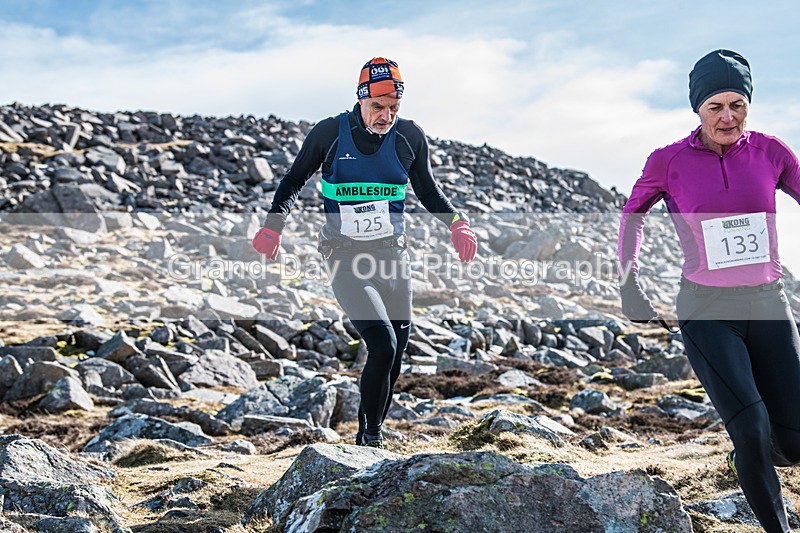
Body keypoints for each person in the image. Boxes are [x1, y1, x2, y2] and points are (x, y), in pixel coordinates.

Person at [252, 57, 478, 449]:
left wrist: (457, 222)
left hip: (395, 259)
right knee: (383, 344)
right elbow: (293, 179)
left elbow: (426, 189)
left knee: (397, 353)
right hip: (346, 259)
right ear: (361, 99)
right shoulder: (329, 134)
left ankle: (371, 432)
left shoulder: (409, 137)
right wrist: (274, 225)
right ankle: (369, 440)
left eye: (394, 108)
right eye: (378, 106)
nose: (386, 116)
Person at [618, 49, 800, 532]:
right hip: (706, 309)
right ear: (698, 109)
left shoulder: (771, 152)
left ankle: (760, 455)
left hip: (768, 304)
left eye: (737, 104)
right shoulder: (669, 161)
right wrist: (629, 278)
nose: (728, 116)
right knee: (751, 427)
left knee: (795, 440)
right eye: (715, 106)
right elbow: (632, 215)